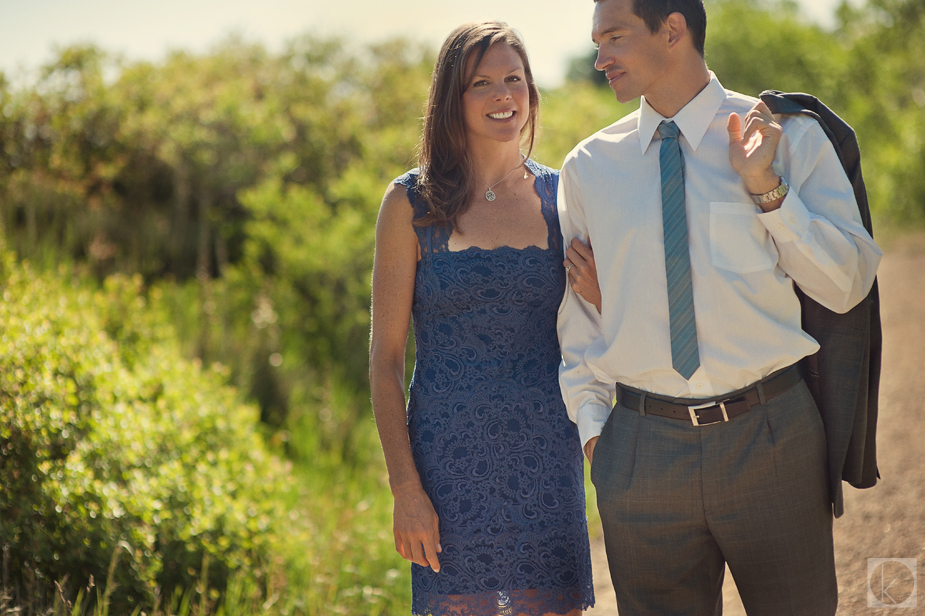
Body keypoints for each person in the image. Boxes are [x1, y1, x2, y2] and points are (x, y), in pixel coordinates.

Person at [556, 1, 882, 615]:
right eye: (597, 43)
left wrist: (766, 190)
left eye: (615, 38)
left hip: (771, 438)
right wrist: (600, 436)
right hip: (640, 452)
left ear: (672, 29)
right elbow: (580, 324)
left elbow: (846, 285)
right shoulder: (589, 169)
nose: (600, 59)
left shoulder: (788, 136)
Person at [369, 21, 596, 616]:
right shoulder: (409, 204)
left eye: (514, 79)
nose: (503, 95)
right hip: (446, 471)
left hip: (548, 457)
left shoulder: (563, 198)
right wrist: (406, 489)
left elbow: (598, 329)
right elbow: (385, 361)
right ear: (452, 98)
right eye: (483, 83)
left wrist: (600, 295)